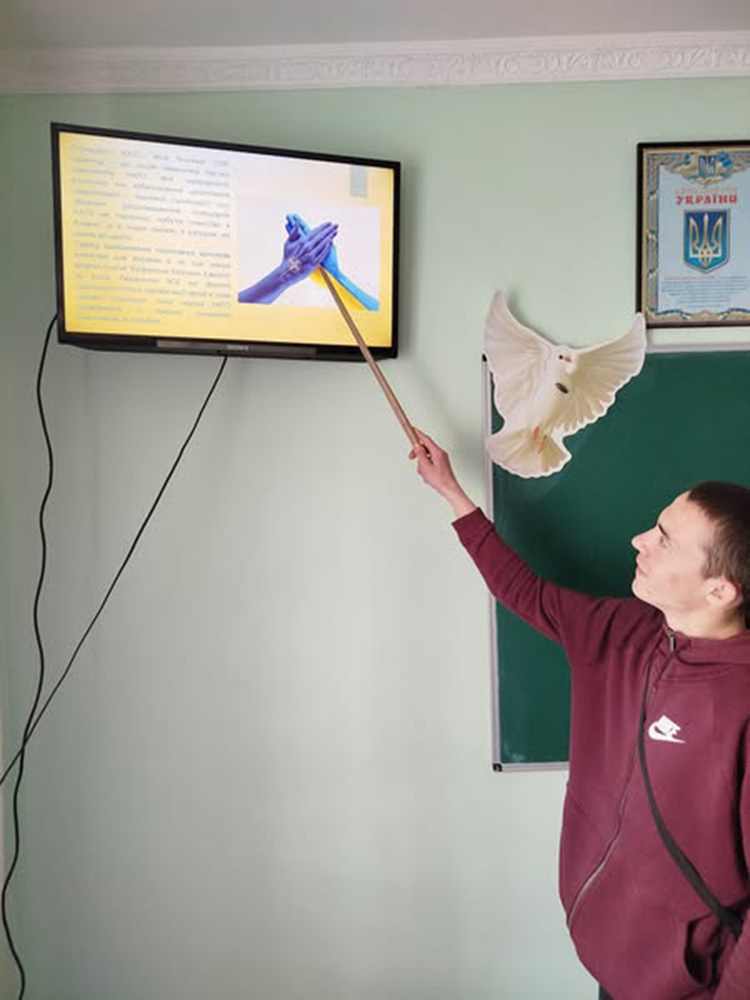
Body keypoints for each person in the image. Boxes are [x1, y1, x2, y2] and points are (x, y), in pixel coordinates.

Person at [409, 429, 750, 999]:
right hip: (611, 964)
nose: (640, 540)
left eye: (664, 540)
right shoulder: (619, 632)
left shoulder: (741, 700)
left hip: (693, 986)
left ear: (720, 591)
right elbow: (524, 591)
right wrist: (451, 491)